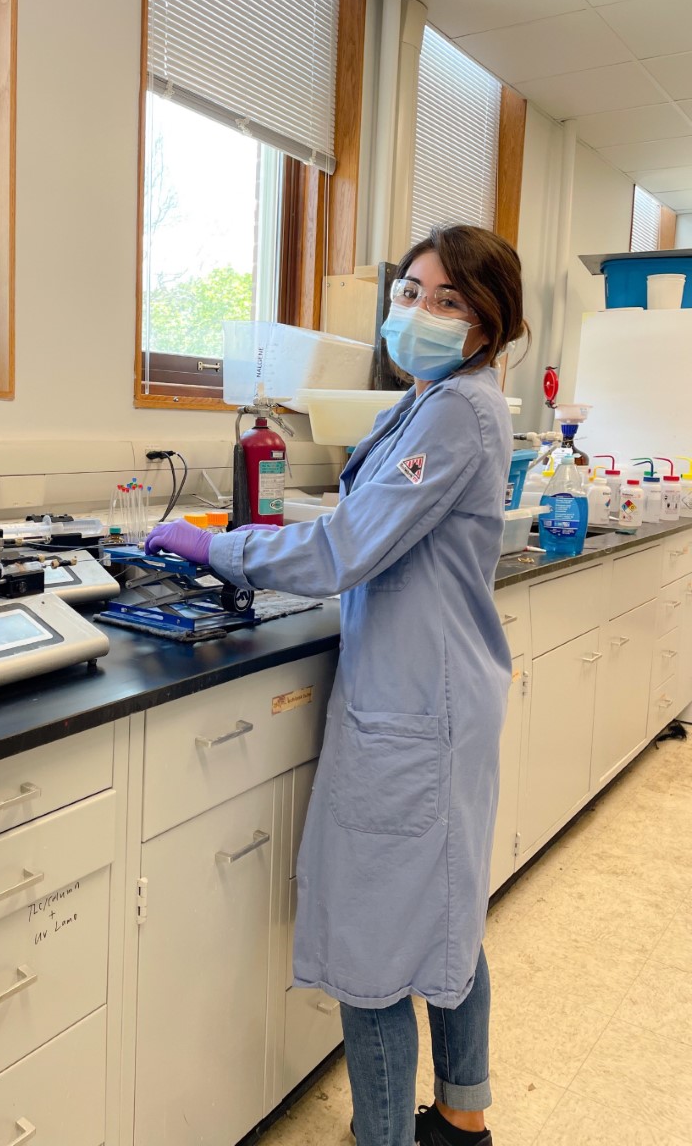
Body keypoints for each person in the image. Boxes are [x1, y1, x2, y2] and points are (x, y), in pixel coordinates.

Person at [144, 224, 529, 1146]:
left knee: (374, 952)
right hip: (434, 697)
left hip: (414, 713)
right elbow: (373, 521)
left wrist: (217, 547)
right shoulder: (445, 397)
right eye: (409, 291)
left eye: (448, 301)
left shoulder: (454, 412)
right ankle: (463, 1118)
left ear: (488, 324)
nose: (418, 312)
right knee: (444, 917)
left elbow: (343, 547)